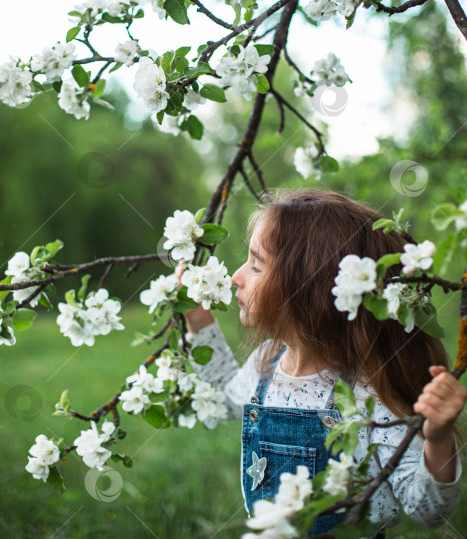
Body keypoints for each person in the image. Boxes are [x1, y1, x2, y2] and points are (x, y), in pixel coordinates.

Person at [179, 189, 466, 536]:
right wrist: (198, 321)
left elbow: (427, 511)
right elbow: (226, 399)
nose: (237, 277)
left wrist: (437, 440)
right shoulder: (266, 364)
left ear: (308, 288)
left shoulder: (367, 396)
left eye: (256, 265)